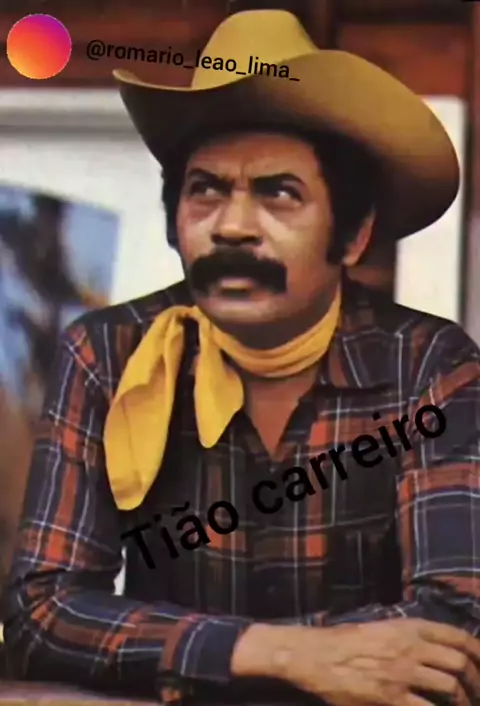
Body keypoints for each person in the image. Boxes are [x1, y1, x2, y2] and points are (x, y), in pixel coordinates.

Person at [4, 9, 480, 706]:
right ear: (175, 224)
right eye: (206, 190)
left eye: (278, 194)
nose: (230, 226)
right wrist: (278, 654)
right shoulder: (107, 354)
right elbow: (42, 613)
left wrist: (190, 657)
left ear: (352, 235)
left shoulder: (429, 367)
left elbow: (454, 625)